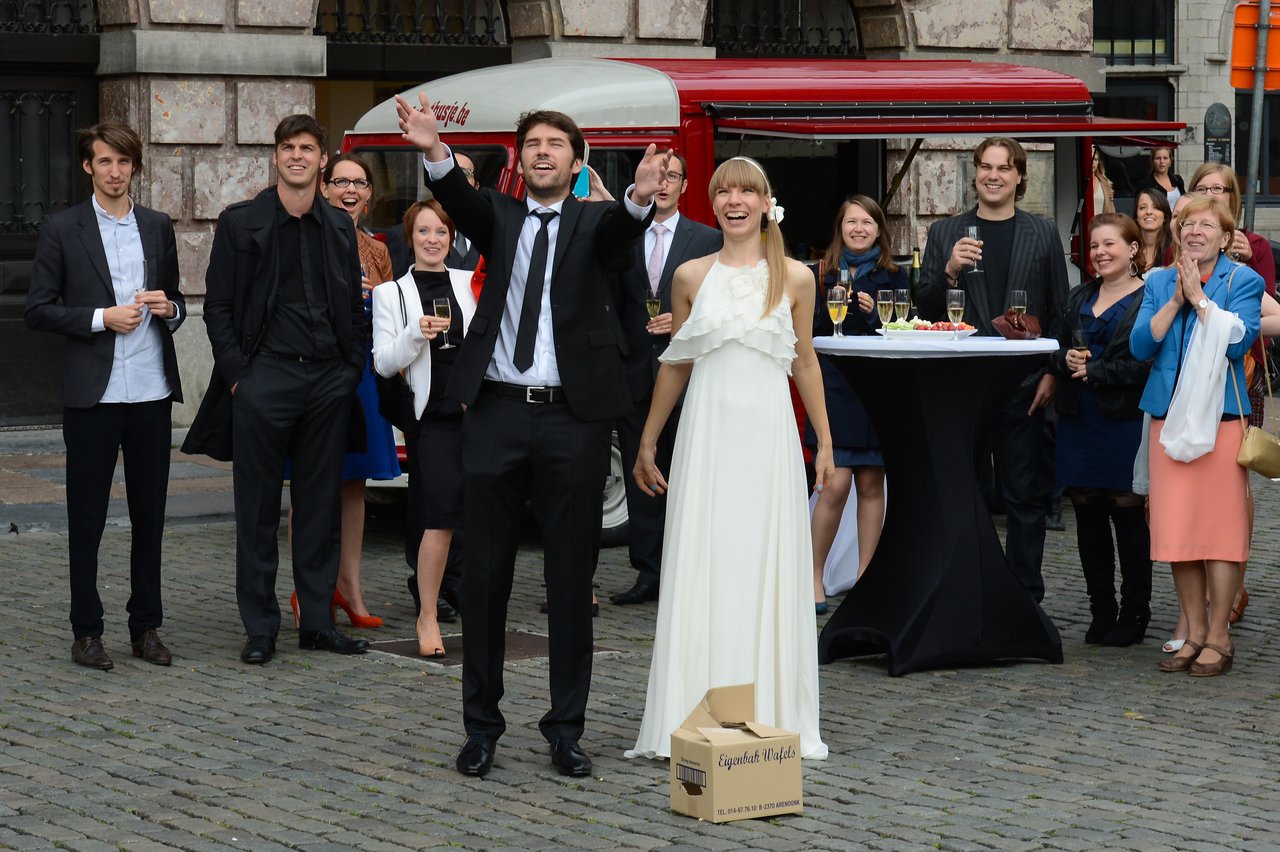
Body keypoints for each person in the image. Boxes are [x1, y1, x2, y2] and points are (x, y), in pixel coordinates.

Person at [395, 91, 667, 779]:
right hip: (497, 411)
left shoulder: (596, 221)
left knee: (571, 576)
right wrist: (434, 149)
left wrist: (639, 196)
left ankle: (565, 730)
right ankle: (481, 728)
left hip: (575, 419)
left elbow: (621, 233)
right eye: (533, 144)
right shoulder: (500, 216)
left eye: (557, 144)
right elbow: (458, 198)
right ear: (520, 160)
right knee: (486, 575)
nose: (544, 152)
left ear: (576, 161)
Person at [626, 156, 832, 761]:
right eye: (723, 192)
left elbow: (805, 361)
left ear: (767, 204)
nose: (734, 201)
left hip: (768, 438)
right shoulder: (690, 275)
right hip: (706, 437)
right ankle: (694, 711)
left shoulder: (797, 278)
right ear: (711, 203)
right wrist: (647, 439)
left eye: (746, 191)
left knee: (765, 560)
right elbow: (677, 362)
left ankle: (770, 712)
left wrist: (825, 441)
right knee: (706, 560)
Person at [183, 114, 369, 665]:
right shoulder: (241, 223)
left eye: (307, 148)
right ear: (275, 157)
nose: (297, 156)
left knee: (320, 509)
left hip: (328, 381)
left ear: (322, 159)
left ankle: (317, 623)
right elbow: (217, 307)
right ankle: (260, 627)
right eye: (288, 147)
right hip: (265, 379)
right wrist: (241, 377)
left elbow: (351, 307)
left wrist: (350, 369)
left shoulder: (339, 226)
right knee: (258, 509)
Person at [25, 120, 184, 670]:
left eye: (124, 161)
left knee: (150, 517)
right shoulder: (62, 228)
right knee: (87, 519)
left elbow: (176, 300)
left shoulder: (157, 225)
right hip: (92, 397)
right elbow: (38, 309)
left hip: (151, 392)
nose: (115, 172)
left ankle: (146, 628)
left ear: (134, 166)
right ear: (88, 166)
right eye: (105, 161)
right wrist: (100, 318)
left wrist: (170, 309)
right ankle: (87, 632)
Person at [917, 137, 1070, 603]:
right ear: (975, 173)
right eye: (985, 166)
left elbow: (1059, 309)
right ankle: (970, 587)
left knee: (1024, 497)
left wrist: (1052, 372)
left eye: (1004, 168)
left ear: (1020, 176)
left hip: (1025, 385)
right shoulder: (947, 232)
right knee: (966, 493)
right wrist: (949, 269)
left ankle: (1024, 596)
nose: (993, 175)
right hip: (963, 385)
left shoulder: (1042, 232)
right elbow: (923, 309)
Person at [1131, 195, 1262, 677]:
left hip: (1220, 421)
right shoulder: (1159, 280)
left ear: (1225, 238)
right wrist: (1175, 300)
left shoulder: (1242, 280)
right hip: (1168, 420)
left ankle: (1220, 636)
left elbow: (1240, 341)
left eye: (1207, 225)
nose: (1195, 232)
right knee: (1178, 531)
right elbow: (1140, 345)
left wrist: (1202, 301)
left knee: (1221, 534)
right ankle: (1194, 632)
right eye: (1188, 224)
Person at [285, 154, 399, 630]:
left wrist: (377, 295)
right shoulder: (302, 237)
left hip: (364, 375)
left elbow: (392, 315)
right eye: (341, 182)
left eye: (360, 183)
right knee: (309, 484)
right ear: (325, 189)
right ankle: (305, 590)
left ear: (368, 196)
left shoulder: (377, 250)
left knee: (354, 485)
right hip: (314, 372)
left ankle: (349, 589)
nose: (350, 190)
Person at [610, 151, 722, 606]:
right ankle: (648, 572)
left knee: (688, 473)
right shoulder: (624, 233)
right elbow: (611, 298)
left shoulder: (709, 239)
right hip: (633, 371)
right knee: (642, 475)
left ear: (684, 186)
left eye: (672, 176)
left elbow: (723, 301)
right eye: (658, 176)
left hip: (690, 373)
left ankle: (687, 572)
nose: (663, 184)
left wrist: (683, 319)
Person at [373, 199, 476, 658]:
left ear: (451, 239)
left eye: (441, 232)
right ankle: (428, 614)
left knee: (483, 516)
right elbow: (383, 362)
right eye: (423, 232)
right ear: (409, 238)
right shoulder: (391, 294)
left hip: (478, 412)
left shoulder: (469, 282)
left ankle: (477, 604)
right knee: (439, 518)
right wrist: (416, 333)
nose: (432, 240)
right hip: (432, 417)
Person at [1049, 213, 1152, 645]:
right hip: (1079, 418)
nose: (1100, 252)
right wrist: (1064, 360)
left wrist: (1098, 371)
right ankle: (1101, 608)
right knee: (1087, 513)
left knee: (1127, 514)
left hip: (1124, 419)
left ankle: (1134, 611)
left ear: (1133, 249)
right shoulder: (1078, 295)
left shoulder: (1149, 298)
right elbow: (1052, 347)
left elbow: (1149, 362)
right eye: (1094, 246)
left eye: (1110, 244)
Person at [1186, 161, 1275, 626]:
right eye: (1202, 187)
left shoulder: (1253, 246)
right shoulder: (1182, 242)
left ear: (1233, 198)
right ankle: (1199, 588)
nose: (1211, 194)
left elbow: (1267, 314)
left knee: (1232, 482)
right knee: (1190, 485)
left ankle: (1233, 581)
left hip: (1237, 376)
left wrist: (1230, 328)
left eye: (1220, 189)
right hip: (1184, 383)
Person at [809, 195, 902, 611]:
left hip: (877, 392)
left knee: (870, 484)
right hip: (833, 391)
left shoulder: (895, 276)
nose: (859, 229)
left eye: (867, 222)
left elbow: (904, 329)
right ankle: (813, 576)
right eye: (851, 222)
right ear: (840, 228)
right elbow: (806, 332)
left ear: (879, 230)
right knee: (834, 485)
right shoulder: (820, 274)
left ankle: (867, 578)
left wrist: (875, 315)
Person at [1133, 188, 1175, 274]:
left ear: (1165, 216)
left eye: (1156, 207)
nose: (1149, 212)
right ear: (1136, 216)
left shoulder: (1173, 250)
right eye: (1142, 207)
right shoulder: (1128, 248)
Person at [1092, 146, 1115, 218]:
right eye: (1090, 159)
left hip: (1101, 223)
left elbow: (1111, 210)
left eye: (1095, 159)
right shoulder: (1078, 183)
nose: (1093, 162)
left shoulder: (1104, 183)